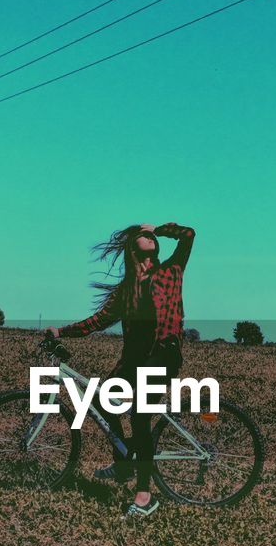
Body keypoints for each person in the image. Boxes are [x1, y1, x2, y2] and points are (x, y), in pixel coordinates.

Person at [47, 221, 195, 517]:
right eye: (143, 236)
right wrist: (61, 332)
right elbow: (96, 322)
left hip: (164, 355)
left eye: (152, 237)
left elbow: (189, 234)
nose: (149, 238)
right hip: (135, 360)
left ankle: (144, 496)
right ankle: (123, 463)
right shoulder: (126, 290)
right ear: (131, 246)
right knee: (101, 400)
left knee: (140, 417)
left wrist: (159, 228)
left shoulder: (171, 270)